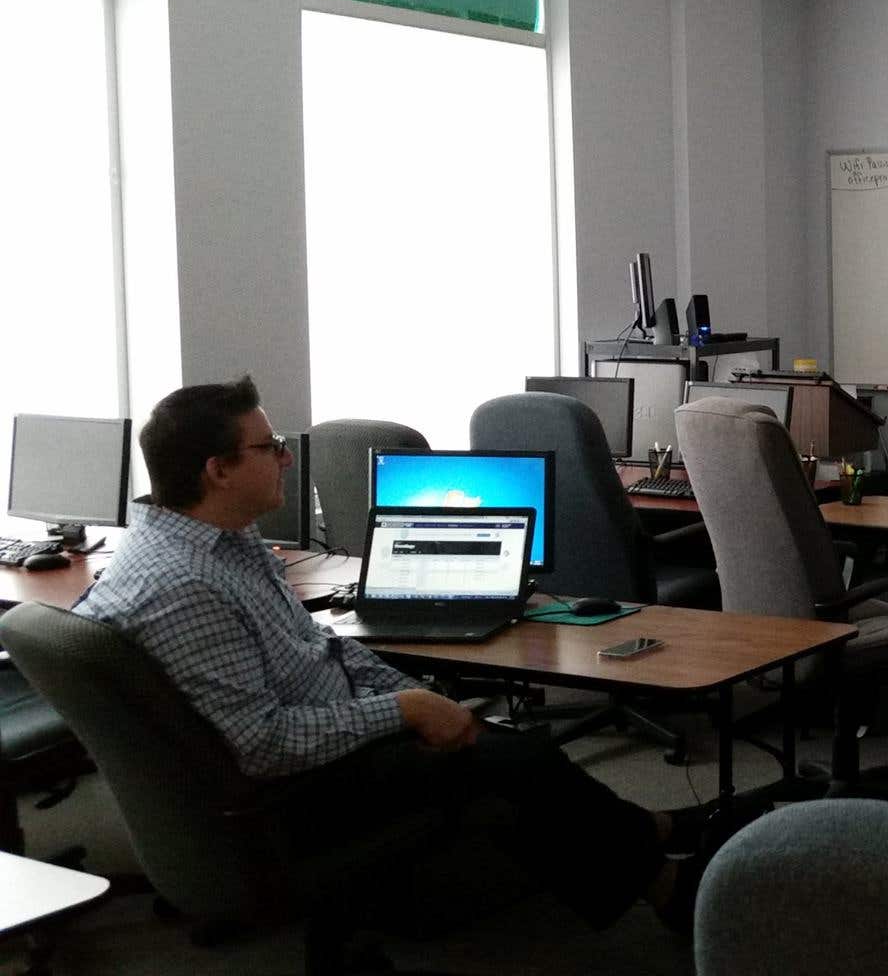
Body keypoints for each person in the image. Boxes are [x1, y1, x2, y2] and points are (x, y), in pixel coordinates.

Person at [72, 377, 703, 933]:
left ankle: (646, 834)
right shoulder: (186, 584)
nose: (288, 458)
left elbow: (320, 649)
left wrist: (418, 697)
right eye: (270, 448)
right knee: (521, 760)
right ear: (219, 470)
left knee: (496, 742)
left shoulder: (216, 544)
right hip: (295, 792)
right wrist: (402, 712)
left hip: (321, 730)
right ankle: (663, 879)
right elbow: (261, 744)